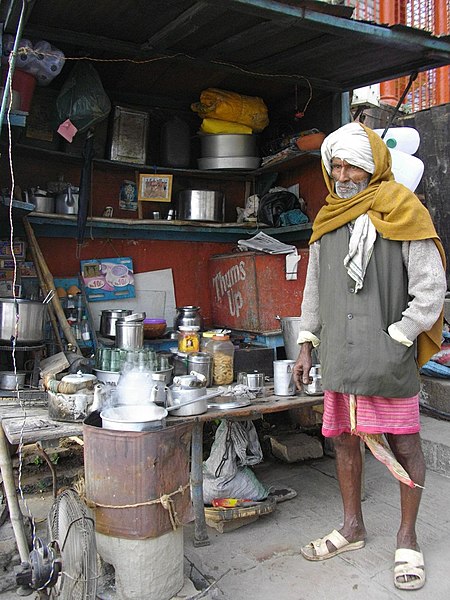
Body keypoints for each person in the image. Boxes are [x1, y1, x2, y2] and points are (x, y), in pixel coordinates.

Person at [292, 122, 446, 591]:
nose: (342, 173)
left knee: (405, 444)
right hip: (339, 354)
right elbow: (314, 289)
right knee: (343, 441)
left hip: (387, 357)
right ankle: (352, 526)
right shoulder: (328, 218)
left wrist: (400, 335)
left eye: (351, 164)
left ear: (373, 165)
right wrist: (305, 343)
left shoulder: (402, 210)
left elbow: (431, 288)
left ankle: (407, 537)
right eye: (335, 165)